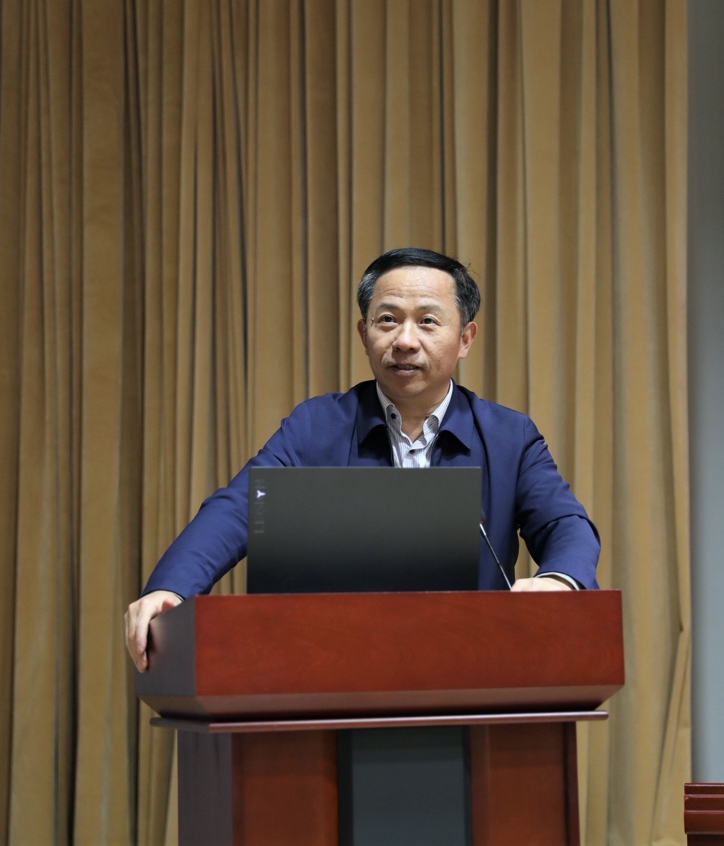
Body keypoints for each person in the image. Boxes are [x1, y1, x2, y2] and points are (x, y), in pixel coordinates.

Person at [124, 247, 600, 670]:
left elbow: (565, 524)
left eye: (428, 321)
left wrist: (559, 582)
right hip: (333, 666)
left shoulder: (508, 436)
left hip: (474, 664)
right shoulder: (316, 426)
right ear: (363, 332)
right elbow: (239, 507)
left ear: (465, 338)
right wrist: (172, 588)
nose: (405, 340)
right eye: (387, 320)